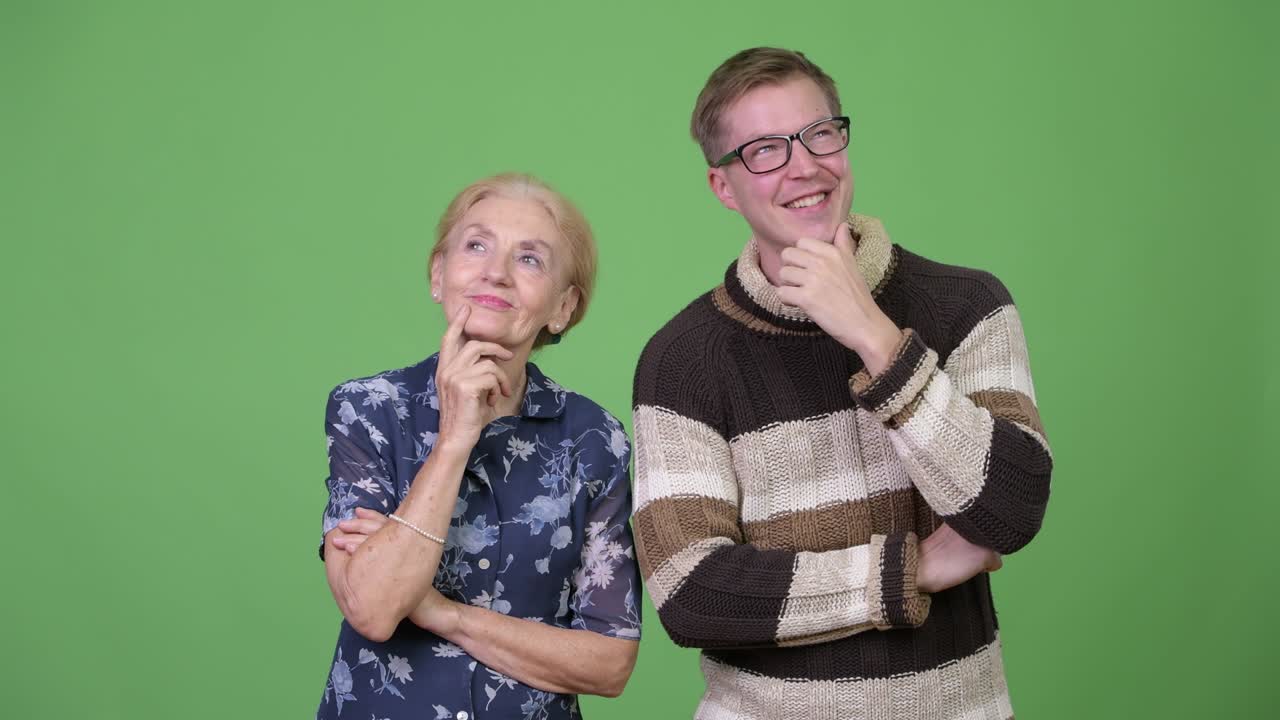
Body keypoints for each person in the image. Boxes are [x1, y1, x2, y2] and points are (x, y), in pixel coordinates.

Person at [632, 48, 1052, 719]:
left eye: (818, 134)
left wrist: (875, 337)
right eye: (765, 150)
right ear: (723, 186)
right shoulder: (682, 359)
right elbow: (692, 594)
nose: (804, 165)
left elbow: (1009, 510)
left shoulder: (969, 305)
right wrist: (905, 572)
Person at [317, 173, 641, 720]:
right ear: (439, 275)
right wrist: (454, 441)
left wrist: (442, 613)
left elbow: (609, 663)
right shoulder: (368, 409)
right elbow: (373, 608)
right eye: (476, 246)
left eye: (530, 259)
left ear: (562, 307)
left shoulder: (595, 439)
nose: (496, 272)